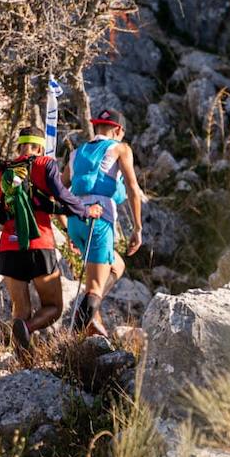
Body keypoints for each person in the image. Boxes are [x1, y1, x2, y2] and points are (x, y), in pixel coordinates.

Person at [0, 126, 103, 354]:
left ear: (20, 146)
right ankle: (28, 327)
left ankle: (22, 359)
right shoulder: (45, 165)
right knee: (53, 307)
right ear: (41, 148)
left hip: (9, 248)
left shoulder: (1, 171)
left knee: (20, 309)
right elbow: (63, 195)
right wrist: (85, 211)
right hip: (39, 245)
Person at [65, 108, 144, 340]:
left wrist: (66, 224)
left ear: (97, 127)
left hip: (75, 220)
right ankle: (71, 343)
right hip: (99, 221)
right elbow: (132, 189)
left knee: (117, 266)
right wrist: (137, 228)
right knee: (94, 288)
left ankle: (91, 315)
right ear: (119, 130)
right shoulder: (121, 148)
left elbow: (58, 188)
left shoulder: (77, 153)